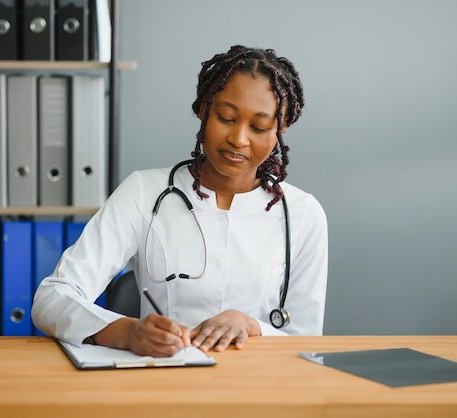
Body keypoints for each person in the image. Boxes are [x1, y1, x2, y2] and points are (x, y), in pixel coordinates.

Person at [32, 45, 328, 357]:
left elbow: (308, 339)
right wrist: (126, 332)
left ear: (280, 129)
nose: (239, 139)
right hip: (164, 381)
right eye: (226, 118)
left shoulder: (303, 215)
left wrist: (252, 326)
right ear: (203, 109)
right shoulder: (143, 192)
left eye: (259, 127)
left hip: (261, 389)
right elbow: (52, 297)